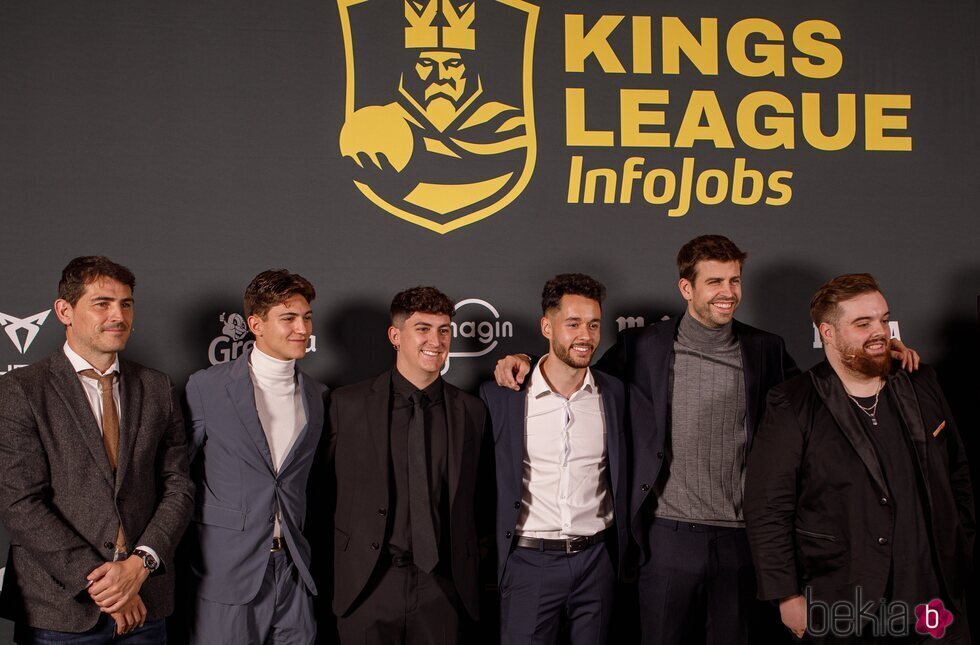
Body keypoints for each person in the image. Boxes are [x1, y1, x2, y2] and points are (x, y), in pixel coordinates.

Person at [494, 235, 920, 645]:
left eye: (734, 280)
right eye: (714, 281)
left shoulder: (764, 349)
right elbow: (578, 372)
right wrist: (524, 361)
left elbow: (815, 398)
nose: (728, 291)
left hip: (740, 540)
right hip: (665, 540)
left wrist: (877, 353)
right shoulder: (641, 346)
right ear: (687, 287)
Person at [744, 273, 974, 643]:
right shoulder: (793, 403)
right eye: (862, 323)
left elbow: (957, 472)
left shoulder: (919, 380)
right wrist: (785, 594)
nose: (879, 331)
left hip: (935, 592)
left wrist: (960, 546)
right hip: (846, 594)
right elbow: (768, 508)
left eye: (883, 319)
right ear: (828, 333)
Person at [0, 256, 194, 643]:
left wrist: (141, 565)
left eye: (126, 304)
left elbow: (178, 486)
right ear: (64, 311)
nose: (118, 315)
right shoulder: (22, 390)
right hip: (61, 611)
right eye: (102, 303)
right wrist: (106, 586)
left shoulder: (157, 388)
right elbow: (20, 503)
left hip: (146, 602)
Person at [328, 286, 488, 644]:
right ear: (395, 335)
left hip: (443, 587)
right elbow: (321, 493)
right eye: (423, 328)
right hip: (368, 586)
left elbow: (483, 497)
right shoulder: (346, 405)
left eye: (444, 330)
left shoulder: (472, 411)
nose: (436, 340)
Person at [480, 274, 627, 644]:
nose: (586, 336)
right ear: (547, 325)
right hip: (530, 562)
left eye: (594, 325)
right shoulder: (504, 396)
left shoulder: (614, 393)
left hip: (597, 562)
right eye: (573, 324)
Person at [183, 270, 326, 644]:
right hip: (227, 572)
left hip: (294, 570)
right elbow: (175, 477)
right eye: (289, 318)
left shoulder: (317, 395)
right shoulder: (206, 388)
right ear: (256, 324)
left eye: (307, 317)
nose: (302, 328)